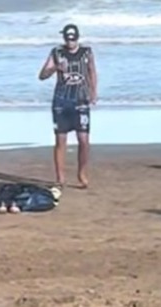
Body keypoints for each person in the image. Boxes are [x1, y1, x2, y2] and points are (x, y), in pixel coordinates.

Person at [38, 24, 97, 188]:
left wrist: (93, 92)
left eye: (73, 39)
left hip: (80, 100)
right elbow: (42, 75)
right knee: (60, 140)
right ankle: (60, 177)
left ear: (77, 38)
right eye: (67, 39)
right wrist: (55, 68)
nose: (70, 42)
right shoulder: (56, 53)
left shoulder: (87, 52)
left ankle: (82, 173)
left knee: (83, 140)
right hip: (61, 101)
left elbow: (92, 71)